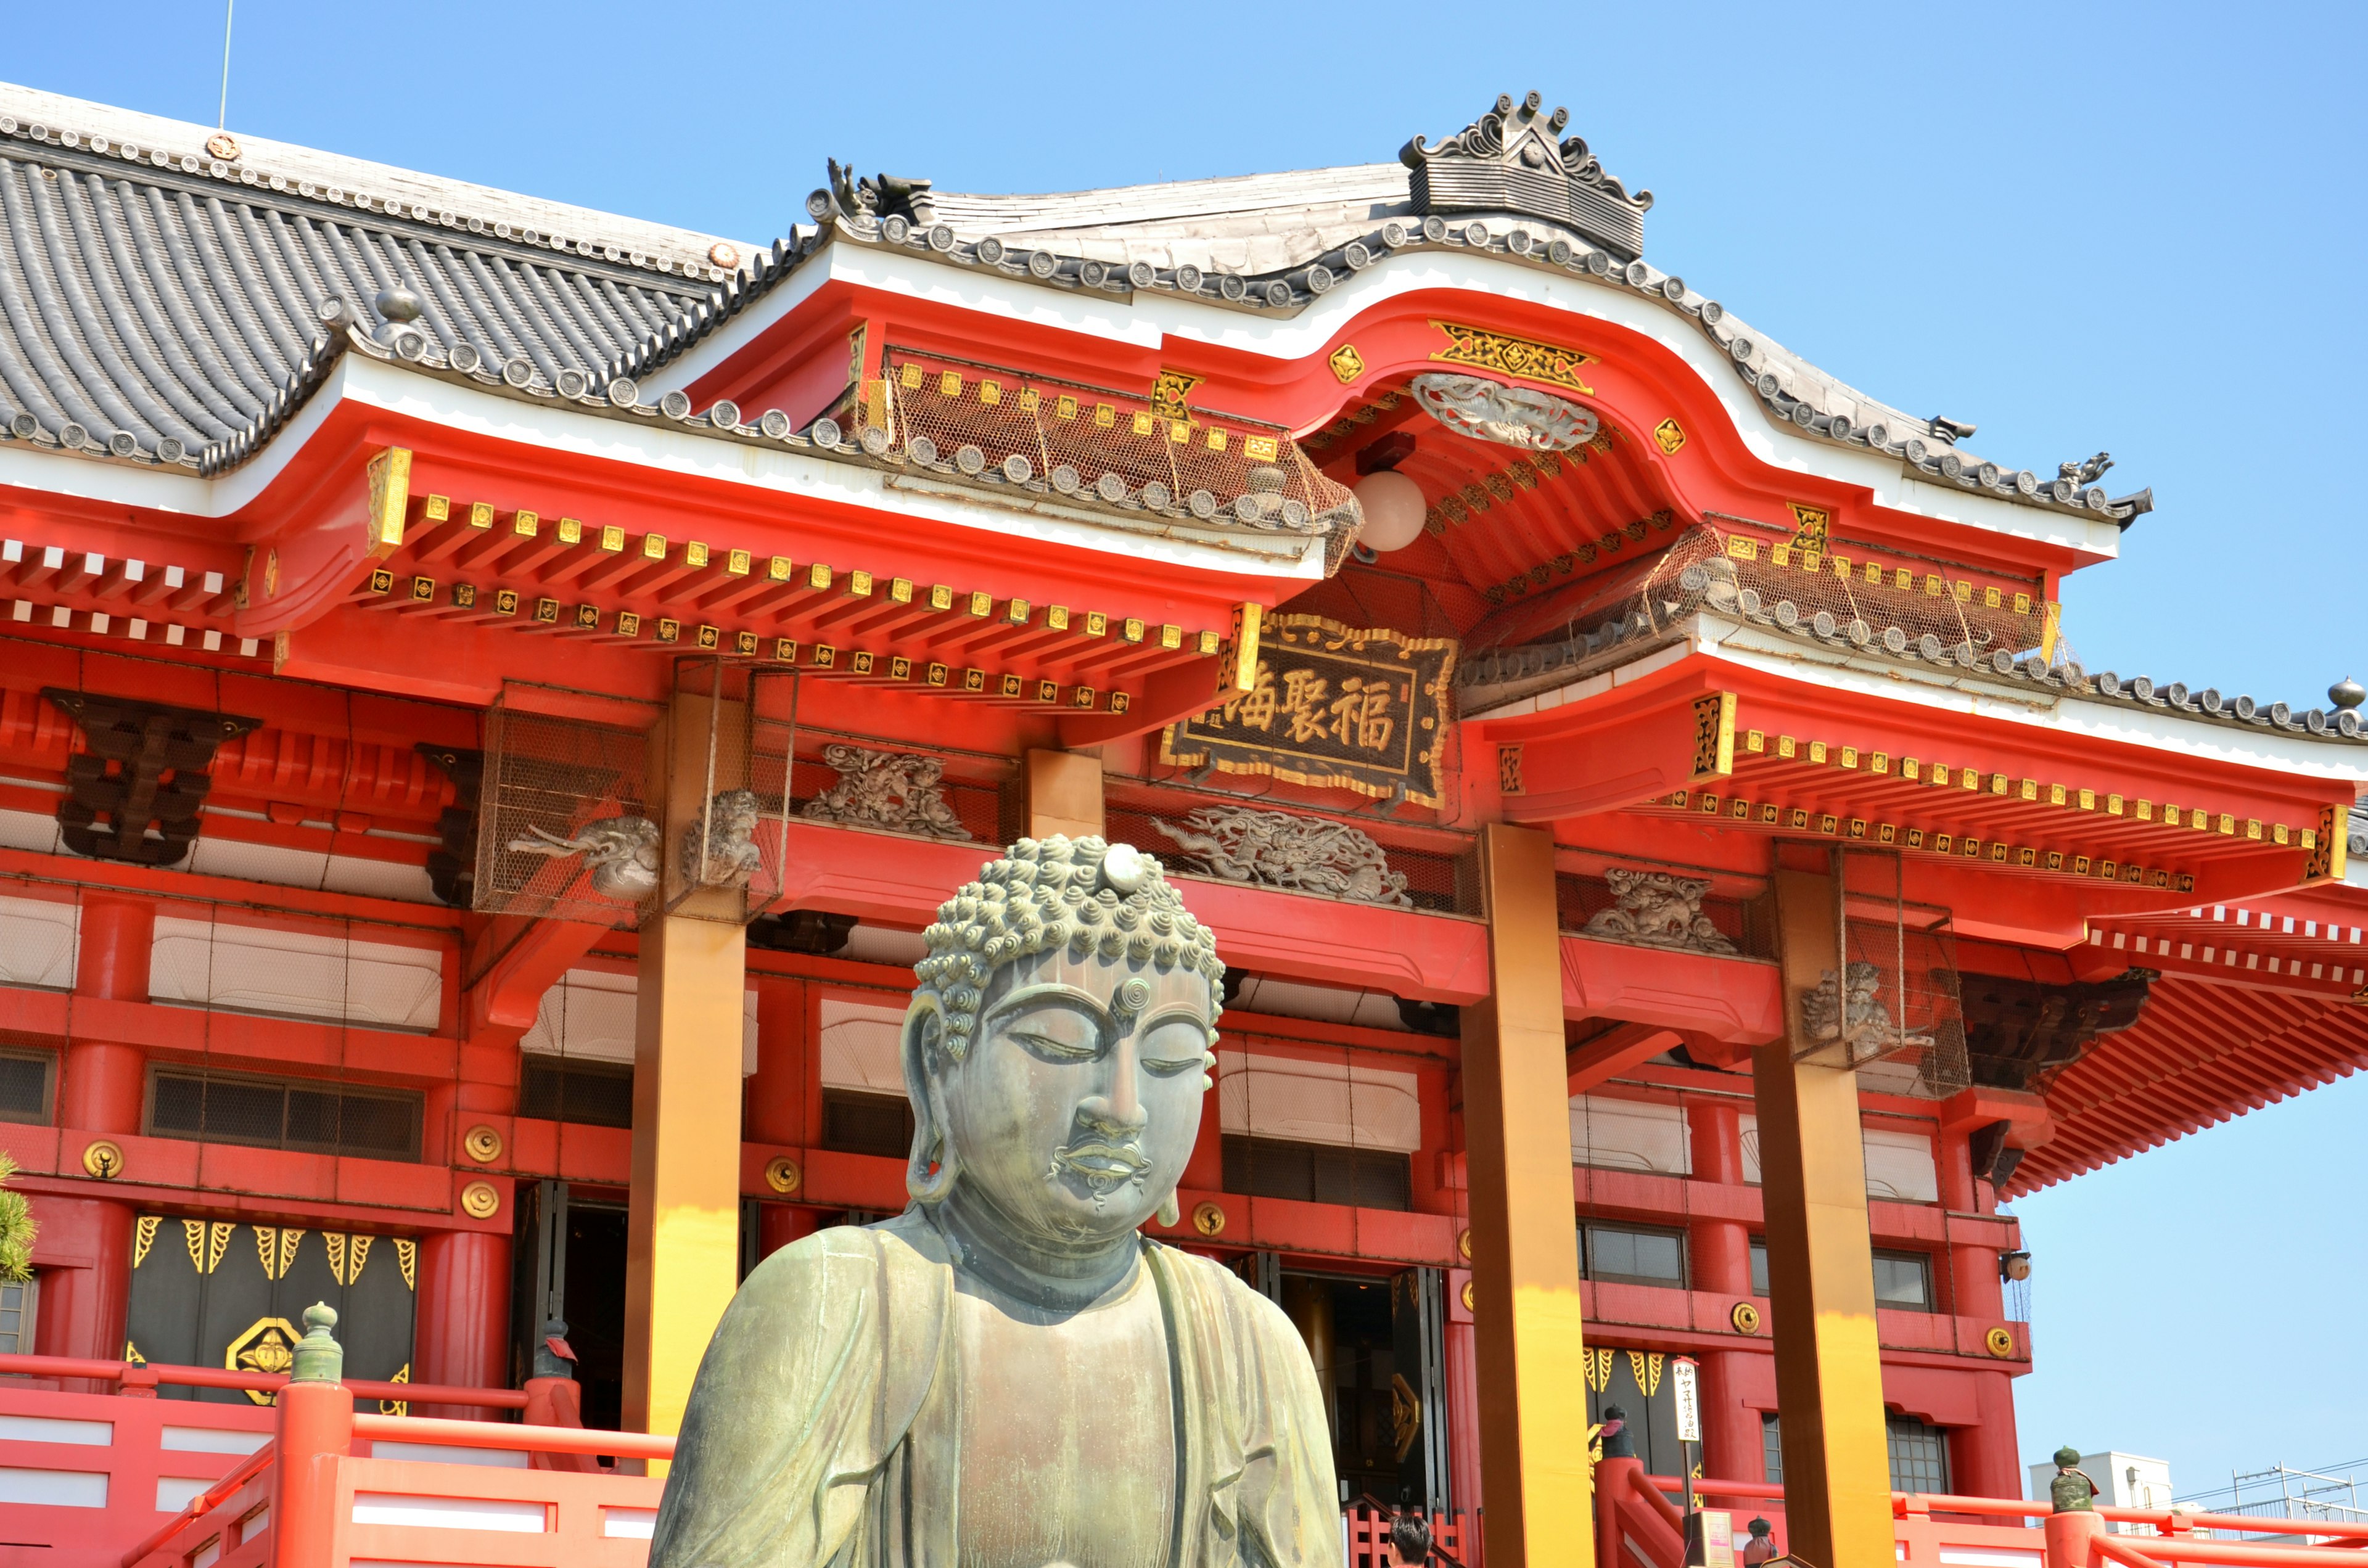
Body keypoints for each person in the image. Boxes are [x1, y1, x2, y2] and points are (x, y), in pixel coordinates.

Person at [648, 837, 1339, 1567]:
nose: (1124, 1107)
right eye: (1061, 1041)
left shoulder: (1251, 1346)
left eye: (1171, 1058)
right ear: (932, 1063)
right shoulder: (832, 1300)